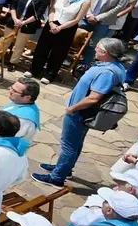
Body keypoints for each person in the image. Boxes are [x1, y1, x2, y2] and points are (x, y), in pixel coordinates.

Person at [35, 37, 128, 186]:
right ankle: (65, 168)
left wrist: (73, 108)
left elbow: (94, 98)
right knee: (76, 143)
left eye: (97, 47)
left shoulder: (107, 72)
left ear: (105, 52)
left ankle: (57, 177)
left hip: (80, 113)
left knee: (69, 145)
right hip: (83, 112)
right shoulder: (115, 66)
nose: (94, 49)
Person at [30, 0, 90, 83]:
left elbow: (77, 19)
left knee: (58, 52)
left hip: (67, 28)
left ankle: (50, 74)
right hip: (52, 23)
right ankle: (34, 70)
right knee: (42, 47)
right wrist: (52, 22)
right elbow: (52, 9)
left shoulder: (85, 1)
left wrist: (60, 27)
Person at [81, 0, 134, 64]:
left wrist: (98, 18)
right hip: (87, 16)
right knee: (75, 36)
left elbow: (119, 7)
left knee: (94, 45)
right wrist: (88, 14)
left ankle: (84, 65)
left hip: (104, 21)